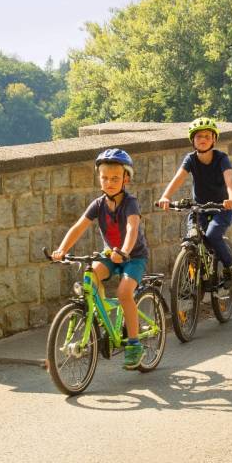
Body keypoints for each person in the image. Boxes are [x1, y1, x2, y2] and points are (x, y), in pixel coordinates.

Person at [52, 148, 150, 370]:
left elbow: (132, 227)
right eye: (104, 178)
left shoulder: (130, 202)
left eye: (115, 178)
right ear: (99, 179)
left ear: (126, 178)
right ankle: (101, 317)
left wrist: (124, 251)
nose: (109, 182)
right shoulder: (98, 204)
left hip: (133, 256)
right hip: (109, 255)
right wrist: (62, 250)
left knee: (124, 293)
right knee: (90, 276)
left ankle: (134, 343)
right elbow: (79, 227)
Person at [156, 117, 232, 287]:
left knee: (213, 235)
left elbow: (229, 179)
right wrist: (166, 196)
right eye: (199, 136)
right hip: (199, 209)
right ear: (192, 140)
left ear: (214, 140)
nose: (203, 140)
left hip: (221, 208)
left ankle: (230, 269)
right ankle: (192, 275)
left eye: (207, 136)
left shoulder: (221, 158)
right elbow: (178, 179)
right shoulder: (191, 159)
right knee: (191, 237)